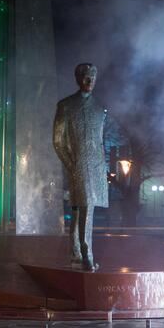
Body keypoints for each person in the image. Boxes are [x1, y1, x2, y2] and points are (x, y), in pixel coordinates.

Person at [52, 63, 108, 271]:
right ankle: (87, 253)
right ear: (77, 78)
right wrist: (71, 164)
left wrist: (103, 166)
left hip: (96, 166)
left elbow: (101, 140)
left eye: (93, 76)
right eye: (85, 76)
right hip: (77, 164)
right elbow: (58, 141)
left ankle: (76, 252)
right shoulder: (65, 106)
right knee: (84, 208)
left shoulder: (99, 108)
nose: (89, 80)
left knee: (80, 209)